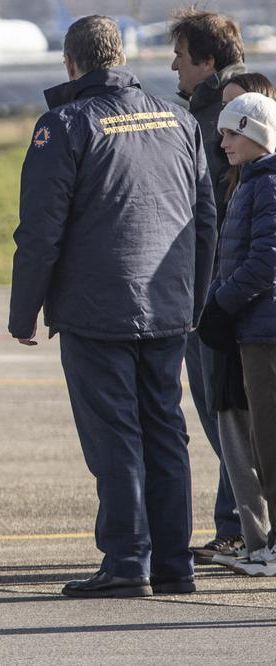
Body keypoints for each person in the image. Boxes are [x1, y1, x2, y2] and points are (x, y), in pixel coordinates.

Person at [9, 16, 216, 598]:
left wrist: (23, 311)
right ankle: (174, 563)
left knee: (116, 436)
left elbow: (41, 230)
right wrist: (193, 299)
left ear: (72, 64)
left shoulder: (67, 123)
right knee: (165, 431)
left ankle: (127, 560)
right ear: (118, 55)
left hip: (98, 307)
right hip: (168, 302)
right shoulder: (178, 117)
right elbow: (204, 219)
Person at [169, 7, 248, 564]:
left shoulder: (216, 123)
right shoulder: (219, 112)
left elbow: (204, 216)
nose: (173, 64)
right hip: (223, 288)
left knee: (225, 415)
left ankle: (244, 526)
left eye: (180, 55)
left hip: (215, 292)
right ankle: (235, 524)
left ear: (207, 60)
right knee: (230, 415)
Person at [196, 91, 276, 577]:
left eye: (232, 132)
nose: (222, 141)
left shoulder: (268, 183)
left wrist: (220, 307)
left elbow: (266, 260)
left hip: (265, 334)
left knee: (269, 441)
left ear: (255, 133)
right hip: (253, 329)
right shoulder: (252, 180)